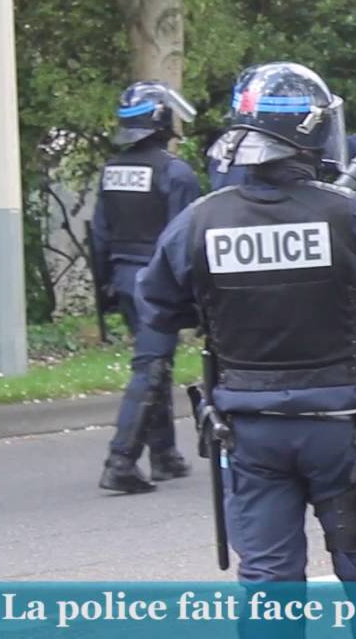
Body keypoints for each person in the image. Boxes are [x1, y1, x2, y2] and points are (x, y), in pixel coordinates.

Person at [136, 62, 356, 599]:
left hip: (249, 430)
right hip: (341, 428)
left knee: (269, 582)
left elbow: (158, 306)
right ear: (312, 131)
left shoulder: (199, 220)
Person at [95, 81, 201, 494]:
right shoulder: (176, 172)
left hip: (123, 278)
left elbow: (100, 235)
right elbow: (184, 240)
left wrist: (104, 285)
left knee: (157, 363)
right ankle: (120, 460)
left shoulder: (112, 170)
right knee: (151, 367)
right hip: (156, 282)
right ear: (162, 120)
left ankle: (164, 455)